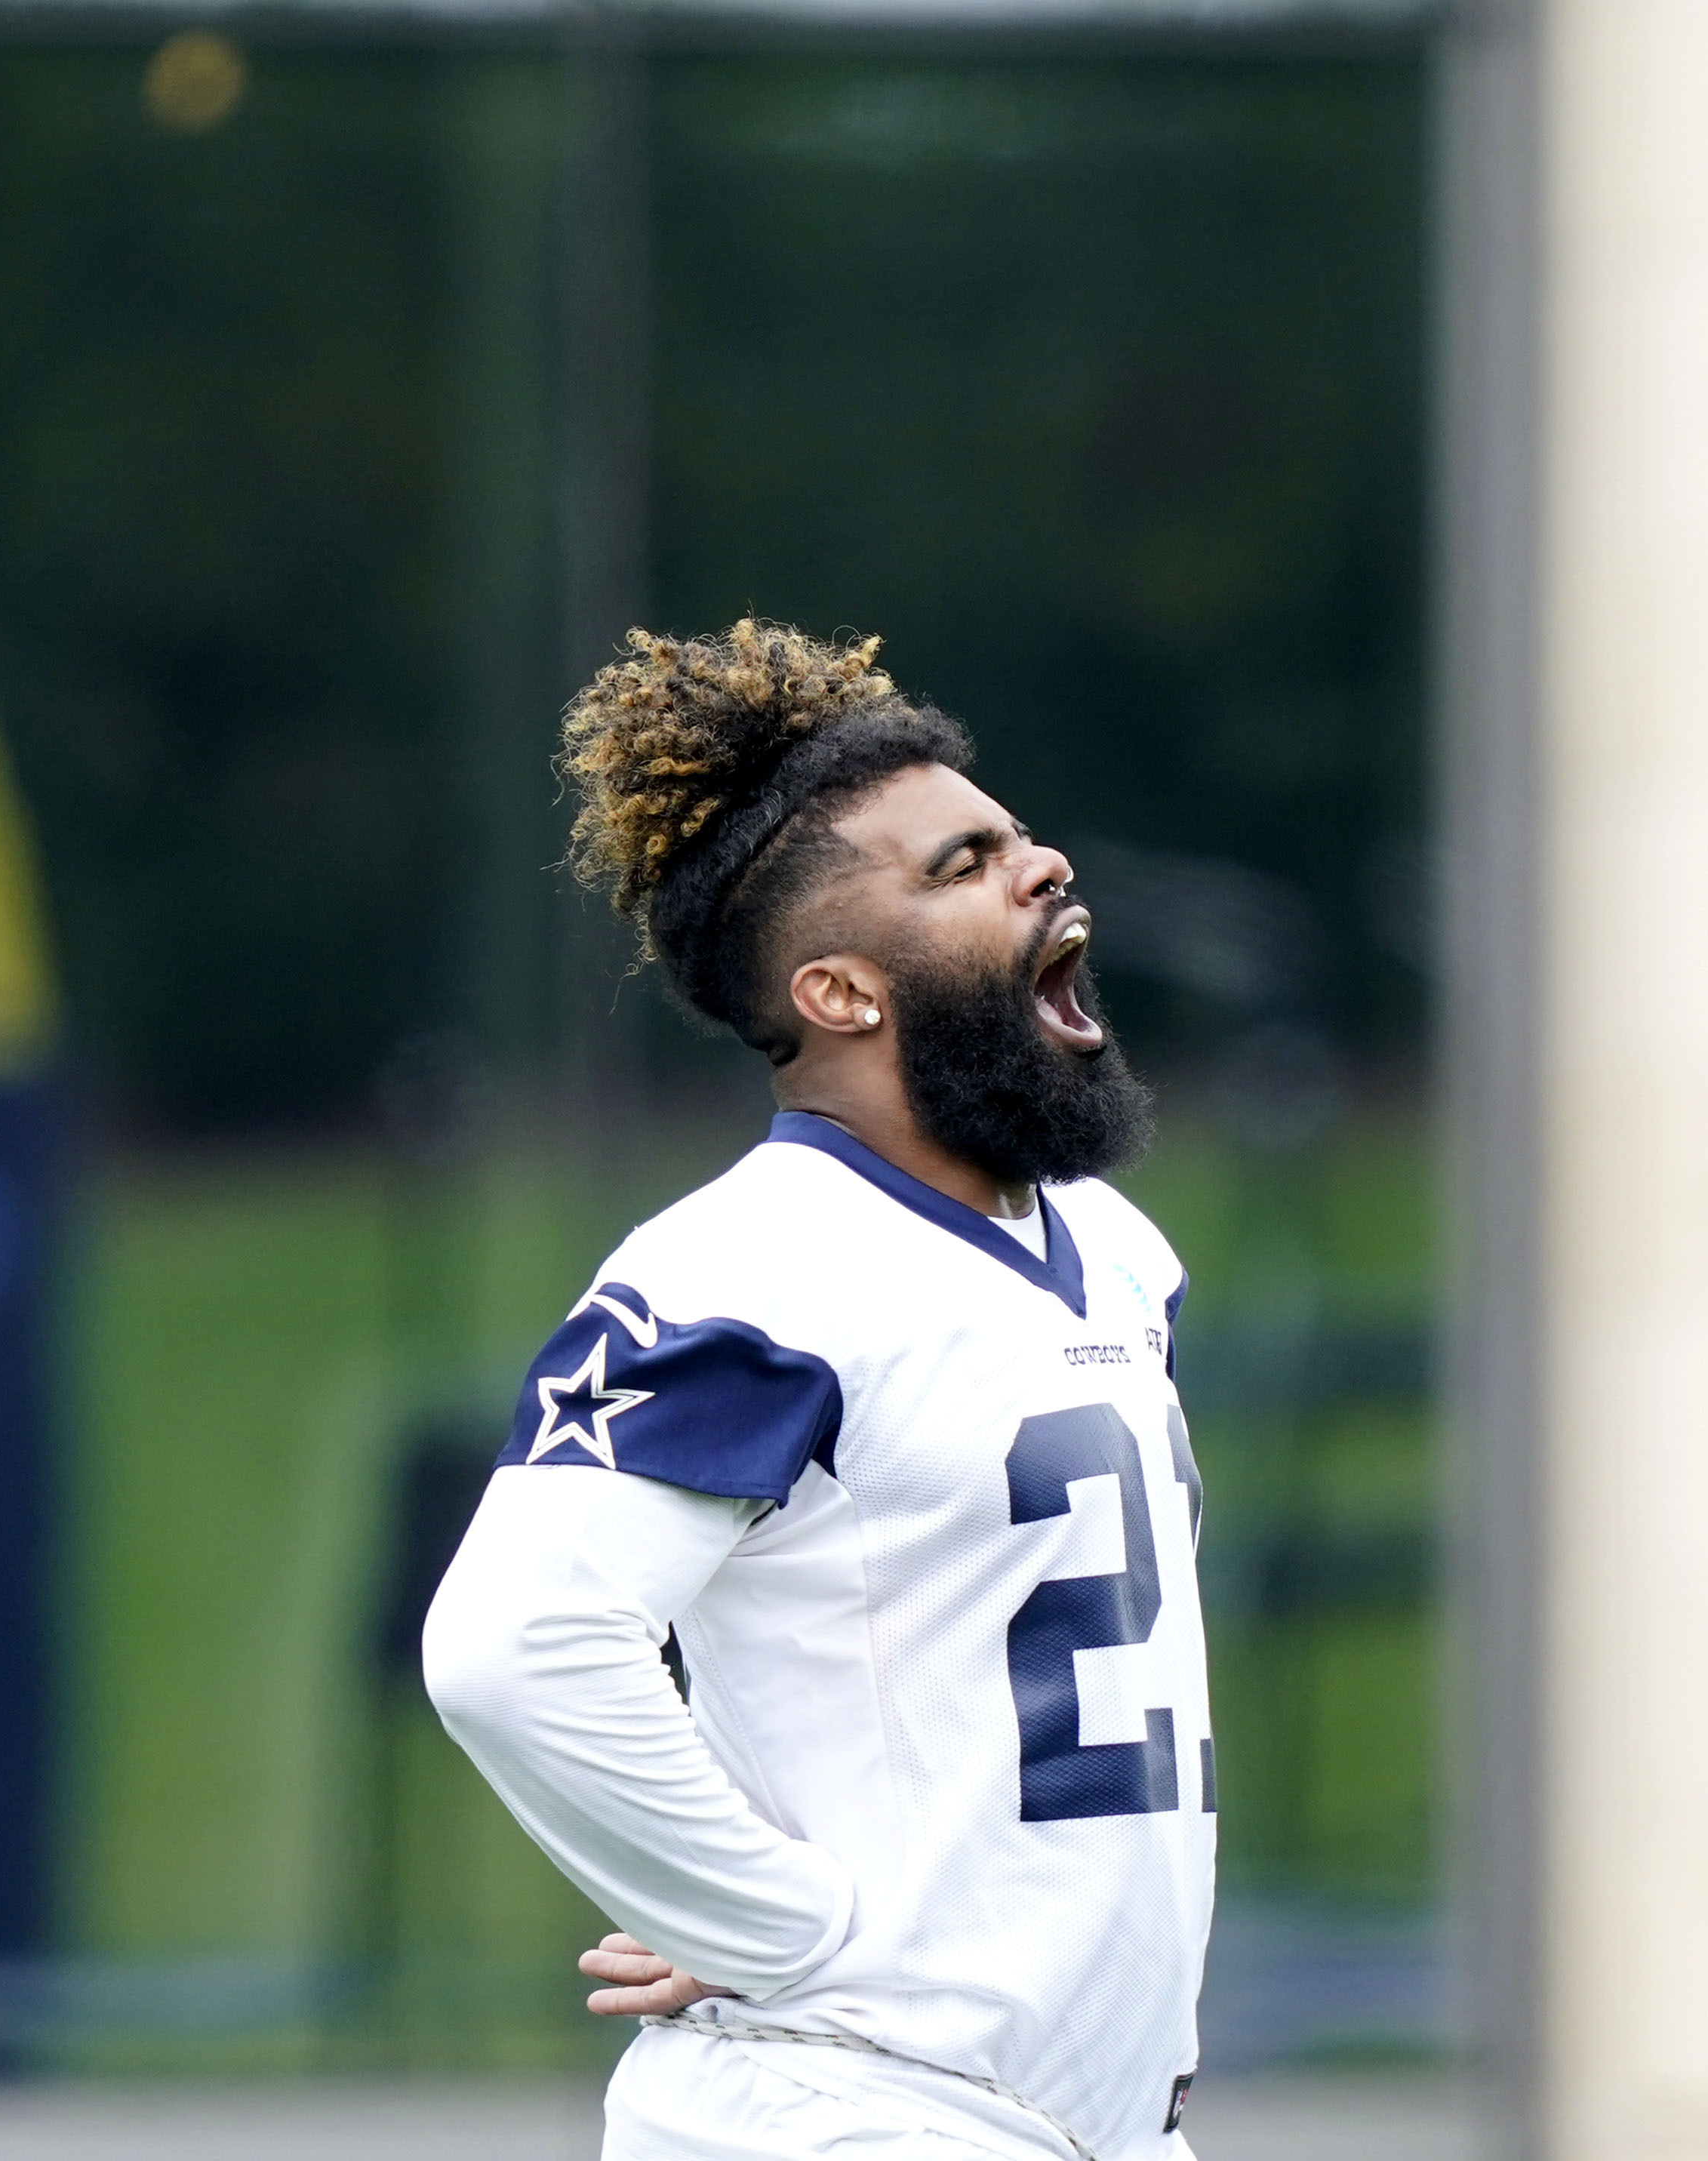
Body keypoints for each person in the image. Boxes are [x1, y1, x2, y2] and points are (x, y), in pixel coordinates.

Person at [420, 622, 1213, 2161]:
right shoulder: (754, 1266)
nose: (1038, 865)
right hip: (859, 2112)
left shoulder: (1114, 1252)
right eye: (963, 862)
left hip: (1074, 2122)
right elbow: (514, 1646)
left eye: (1016, 834)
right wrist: (765, 1919)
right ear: (841, 991)